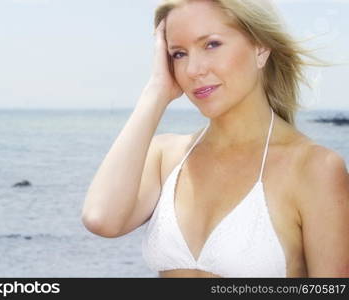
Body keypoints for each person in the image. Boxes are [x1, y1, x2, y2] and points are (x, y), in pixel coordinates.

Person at [82, 0, 349, 278]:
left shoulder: (314, 168)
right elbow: (101, 219)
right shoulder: (166, 157)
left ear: (260, 48)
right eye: (178, 54)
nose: (193, 70)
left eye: (211, 45)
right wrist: (156, 91)